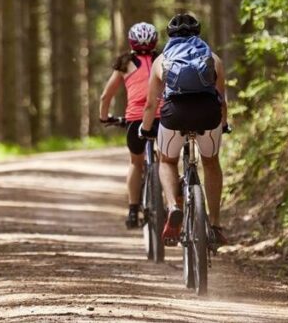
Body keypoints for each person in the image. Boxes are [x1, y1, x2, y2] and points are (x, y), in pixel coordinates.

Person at [139, 13, 229, 247]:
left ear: (170, 35)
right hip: (208, 114)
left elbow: (151, 104)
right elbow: (221, 100)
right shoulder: (213, 58)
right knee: (211, 163)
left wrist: (146, 129)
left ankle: (174, 207)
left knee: (167, 161)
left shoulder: (161, 60)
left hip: (175, 115)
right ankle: (216, 225)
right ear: (198, 33)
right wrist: (224, 124)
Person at [98, 22, 161, 229]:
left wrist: (104, 117)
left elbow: (106, 95)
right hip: (163, 118)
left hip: (136, 120)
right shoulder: (163, 59)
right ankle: (173, 201)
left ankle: (133, 210)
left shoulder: (125, 63)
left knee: (136, 163)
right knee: (168, 160)